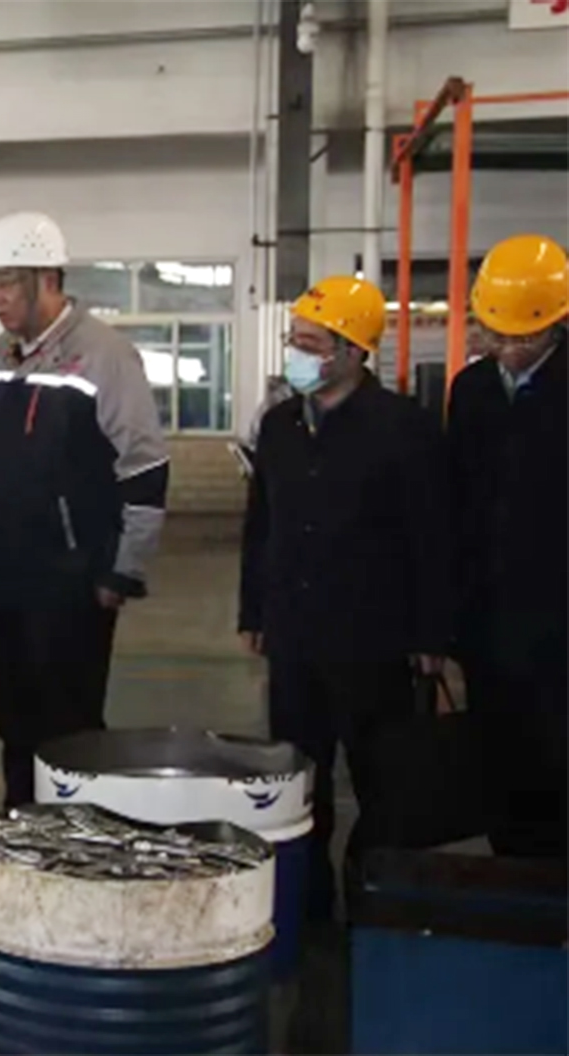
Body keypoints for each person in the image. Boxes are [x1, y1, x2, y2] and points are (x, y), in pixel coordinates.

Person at [239, 275, 452, 918]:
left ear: (355, 352)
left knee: (381, 780)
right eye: (294, 340)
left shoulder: (403, 429)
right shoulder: (279, 426)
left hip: (372, 638)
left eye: (311, 344)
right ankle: (306, 902)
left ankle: (374, 900)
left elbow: (432, 536)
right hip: (294, 634)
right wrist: (254, 610)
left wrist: (431, 634)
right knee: (298, 779)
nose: (296, 354)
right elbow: (261, 524)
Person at [0, 212, 169, 808]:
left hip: (71, 582)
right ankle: (18, 832)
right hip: (2, 578)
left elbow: (145, 469)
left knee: (69, 730)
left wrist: (122, 571)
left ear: (49, 279)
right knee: (14, 724)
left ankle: (74, 840)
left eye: (9, 282)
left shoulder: (104, 355)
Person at [449, 233, 567, 859]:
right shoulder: (471, 391)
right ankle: (511, 871)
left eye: (526, 336)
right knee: (500, 758)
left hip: (558, 620)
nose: (509, 349)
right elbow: (456, 501)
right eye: (496, 334)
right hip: (487, 620)